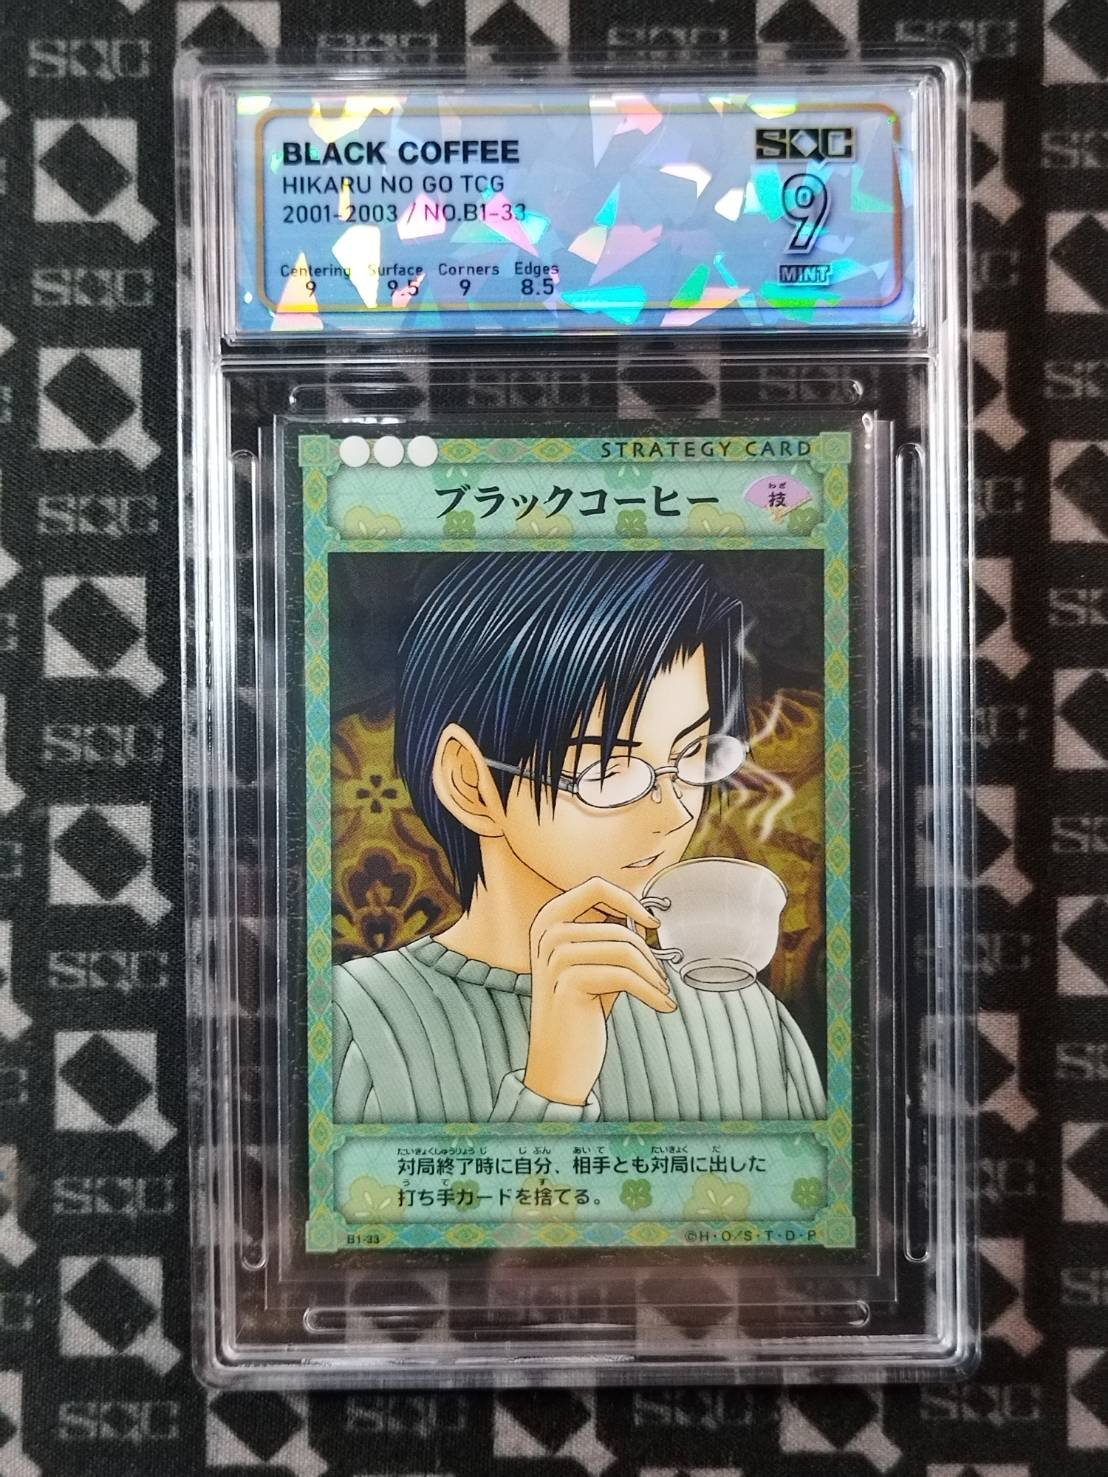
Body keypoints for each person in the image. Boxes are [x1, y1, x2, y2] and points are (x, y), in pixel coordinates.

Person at [332, 550, 825, 1124]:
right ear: (471, 782)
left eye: (692, 752)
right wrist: (552, 1087)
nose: (671, 813)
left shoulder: (742, 1013)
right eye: (608, 768)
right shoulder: (353, 1022)